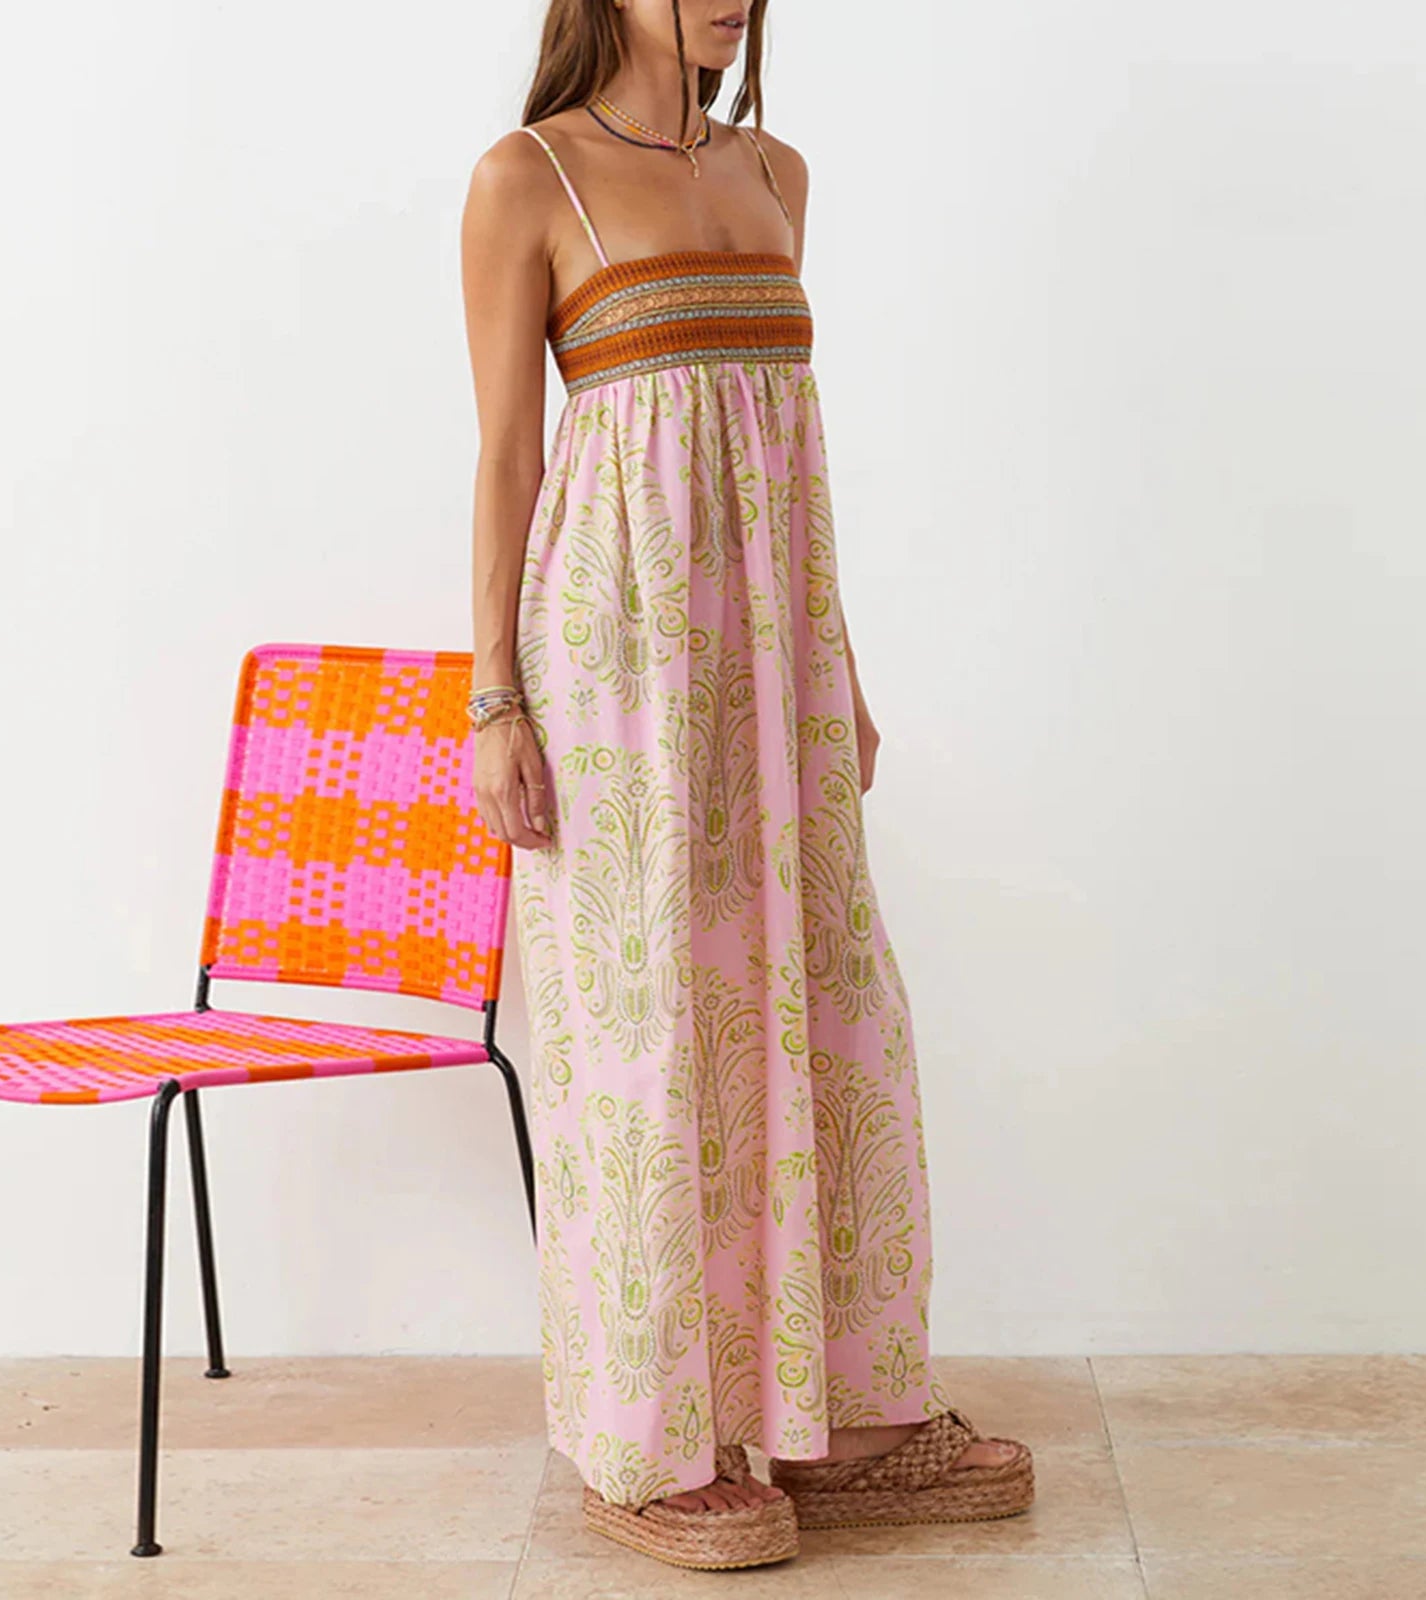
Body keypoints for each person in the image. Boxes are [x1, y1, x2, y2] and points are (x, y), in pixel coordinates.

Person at [459, 0, 1034, 1570]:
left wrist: (835, 663)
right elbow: (512, 454)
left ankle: (840, 1406)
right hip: (617, 654)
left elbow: (789, 453)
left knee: (821, 999)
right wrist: (494, 696)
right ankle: (646, 1439)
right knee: (646, 1023)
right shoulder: (531, 178)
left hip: (773, 653)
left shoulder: (780, 175)